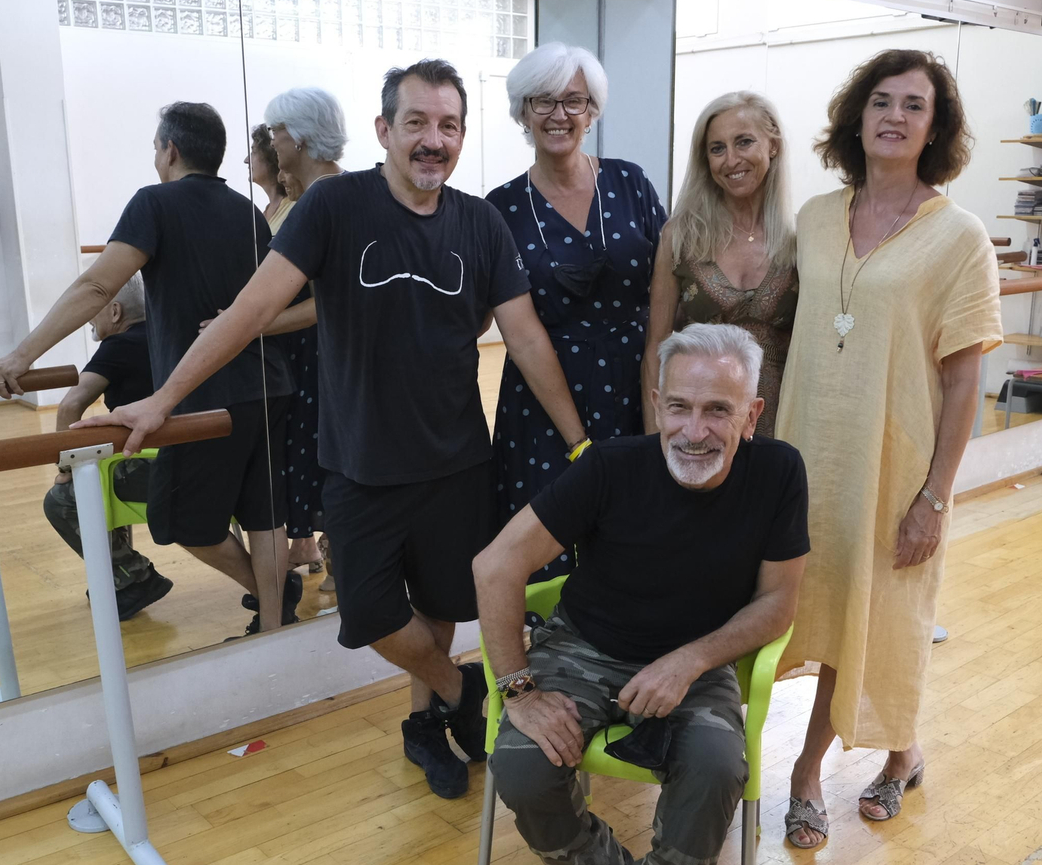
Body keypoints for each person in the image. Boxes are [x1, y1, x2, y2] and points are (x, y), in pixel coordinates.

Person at [80, 60, 590, 801]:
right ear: (384, 130)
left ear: (462, 137)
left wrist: (578, 442)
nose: (432, 139)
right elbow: (251, 312)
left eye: (448, 125)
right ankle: (459, 691)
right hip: (358, 464)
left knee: (442, 605)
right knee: (371, 613)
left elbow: (528, 339)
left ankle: (426, 723)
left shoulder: (480, 223)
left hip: (455, 462)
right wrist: (163, 398)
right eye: (416, 122)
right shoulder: (334, 209)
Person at [473, 323, 807, 865]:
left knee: (718, 767)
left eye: (719, 410)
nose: (694, 430)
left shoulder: (779, 472)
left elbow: (777, 604)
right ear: (656, 403)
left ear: (752, 413)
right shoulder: (610, 466)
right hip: (584, 646)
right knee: (522, 764)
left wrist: (689, 660)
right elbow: (495, 566)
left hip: (700, 657)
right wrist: (519, 691)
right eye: (679, 406)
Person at [0, 101, 300, 639]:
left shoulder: (154, 202)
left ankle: (272, 596)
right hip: (271, 383)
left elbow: (97, 287)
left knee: (180, 520)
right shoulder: (246, 212)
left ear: (170, 149)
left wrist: (20, 357)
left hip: (206, 396)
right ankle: (276, 620)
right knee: (264, 515)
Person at [777, 50, 1001, 848]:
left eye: (915, 105)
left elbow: (966, 380)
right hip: (807, 458)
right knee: (816, 608)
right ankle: (903, 753)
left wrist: (934, 497)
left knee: (865, 618)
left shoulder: (959, 238)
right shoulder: (812, 217)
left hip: (892, 468)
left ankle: (806, 774)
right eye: (881, 101)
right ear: (857, 116)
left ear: (935, 128)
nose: (895, 116)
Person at [486, 42, 665, 578]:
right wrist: (577, 441)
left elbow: (666, 293)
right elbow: (516, 330)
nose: (559, 115)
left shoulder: (630, 182)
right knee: (550, 553)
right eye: (542, 101)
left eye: (574, 101)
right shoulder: (502, 208)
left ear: (593, 111)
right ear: (522, 111)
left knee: (640, 540)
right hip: (544, 402)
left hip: (637, 388)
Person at [643, 92, 797, 436]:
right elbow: (656, 345)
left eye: (744, 142)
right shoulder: (680, 236)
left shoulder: (800, 238)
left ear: (772, 145)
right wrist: (655, 442)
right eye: (717, 149)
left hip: (783, 421)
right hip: (698, 425)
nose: (731, 160)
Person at [41, 273, 173, 621]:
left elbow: (71, 406)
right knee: (103, 471)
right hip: (187, 453)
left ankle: (134, 577)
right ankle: (118, 577)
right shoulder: (168, 335)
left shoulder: (119, 346)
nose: (88, 319)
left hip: (157, 466)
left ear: (114, 312)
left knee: (62, 500)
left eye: (93, 311)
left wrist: (65, 471)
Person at [264, 86, 351, 587]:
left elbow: (324, 303)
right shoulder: (324, 191)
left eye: (277, 133)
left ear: (297, 137)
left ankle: (343, 568)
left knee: (329, 461)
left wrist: (253, 323)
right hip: (318, 357)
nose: (273, 142)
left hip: (327, 357)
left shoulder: (329, 195)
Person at [247, 123, 295, 230]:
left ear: (271, 155)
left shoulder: (294, 209)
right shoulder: (263, 214)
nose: (247, 160)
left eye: (253, 151)